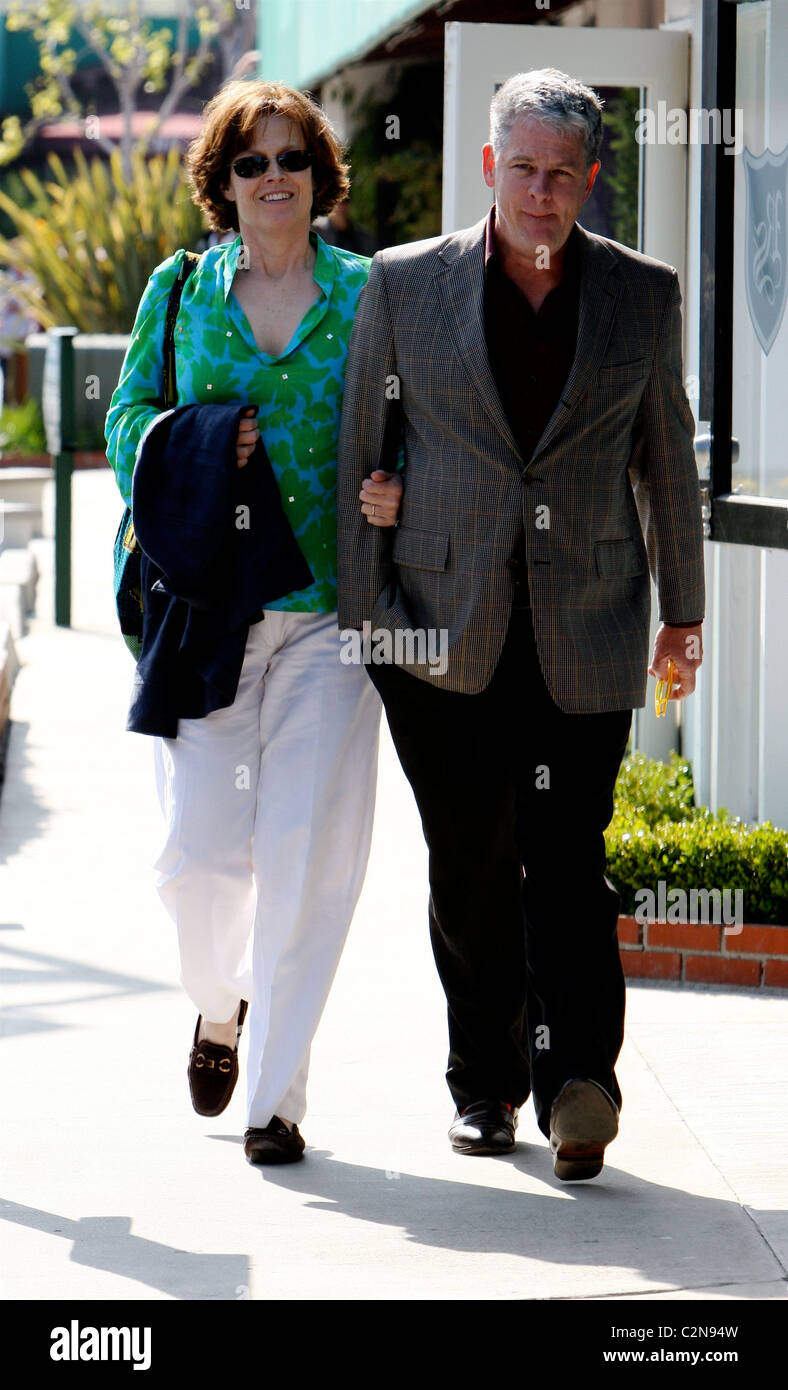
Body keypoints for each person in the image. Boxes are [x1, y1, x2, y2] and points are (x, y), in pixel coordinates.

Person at [337, 68, 705, 1182]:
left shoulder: (642, 294)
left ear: (590, 178)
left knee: (565, 860)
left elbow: (665, 465)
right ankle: (483, 1084)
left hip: (585, 625)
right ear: (490, 167)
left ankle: (578, 1083)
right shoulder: (403, 284)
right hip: (435, 631)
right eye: (524, 170)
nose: (542, 193)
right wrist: (370, 626)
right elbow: (359, 450)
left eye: (563, 174)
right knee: (469, 864)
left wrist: (681, 614)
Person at [105, 79, 402, 1166]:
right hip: (209, 618)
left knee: (304, 856)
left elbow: (414, 421)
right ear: (221, 184)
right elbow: (127, 411)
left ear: (321, 177)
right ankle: (217, 1003)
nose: (272, 178)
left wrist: (394, 485)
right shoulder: (180, 292)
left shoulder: (372, 292)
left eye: (291, 160)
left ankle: (273, 1095)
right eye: (249, 162)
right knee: (198, 857)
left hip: (327, 621)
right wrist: (188, 438)